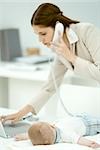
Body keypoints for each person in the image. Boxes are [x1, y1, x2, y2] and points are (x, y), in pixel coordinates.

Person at [0, 2, 100, 126]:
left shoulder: (87, 31)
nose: (40, 40)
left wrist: (70, 56)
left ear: (58, 27)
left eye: (43, 34)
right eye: (38, 35)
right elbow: (49, 87)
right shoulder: (59, 49)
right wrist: (21, 113)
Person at [16, 113, 100, 148]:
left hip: (79, 117)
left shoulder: (51, 130)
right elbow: (78, 139)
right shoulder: (65, 134)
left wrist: (25, 136)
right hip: (89, 124)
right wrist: (90, 143)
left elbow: (37, 136)